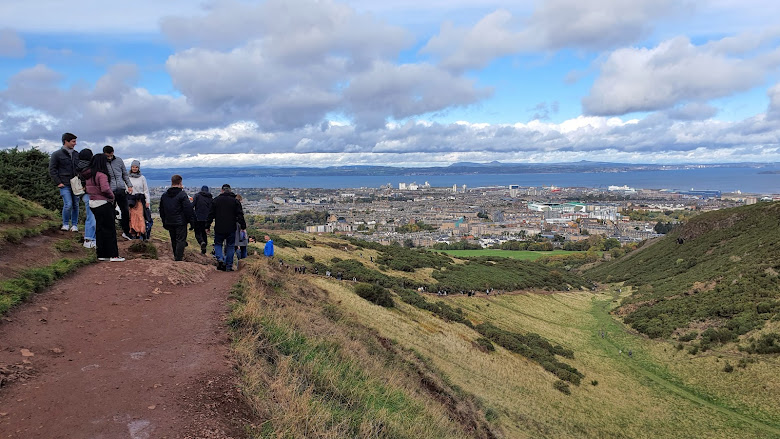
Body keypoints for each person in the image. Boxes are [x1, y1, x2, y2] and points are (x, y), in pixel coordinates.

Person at [85, 153, 124, 262]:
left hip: (92, 202)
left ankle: (101, 254)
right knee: (110, 229)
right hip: (103, 202)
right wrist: (112, 197)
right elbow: (105, 189)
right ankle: (113, 255)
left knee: (100, 228)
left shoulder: (89, 174)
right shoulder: (101, 175)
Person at [206, 184, 246, 272]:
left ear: (222, 190)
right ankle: (228, 266)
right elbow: (240, 215)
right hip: (231, 227)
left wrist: (207, 226)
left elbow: (210, 215)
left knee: (218, 244)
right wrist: (243, 226)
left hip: (219, 227)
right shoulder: (235, 201)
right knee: (230, 246)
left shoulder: (216, 200)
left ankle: (220, 259)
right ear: (230, 190)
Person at [159, 174, 194, 261]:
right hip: (180, 221)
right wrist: (192, 221)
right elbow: (188, 209)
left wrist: (164, 221)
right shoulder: (182, 194)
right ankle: (178, 259)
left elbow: (161, 210)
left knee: (174, 239)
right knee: (181, 240)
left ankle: (176, 256)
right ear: (180, 182)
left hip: (169, 221)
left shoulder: (164, 195)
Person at [49, 133, 80, 232]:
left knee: (76, 204)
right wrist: (58, 182)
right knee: (68, 204)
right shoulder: (56, 154)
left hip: (76, 184)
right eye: (73, 141)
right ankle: (65, 224)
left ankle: (74, 225)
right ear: (66, 141)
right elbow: (52, 169)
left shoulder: (76, 154)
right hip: (64, 183)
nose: (75, 143)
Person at [102, 145, 133, 240]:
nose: (110, 157)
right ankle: (111, 232)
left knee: (125, 211)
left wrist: (129, 185)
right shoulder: (102, 162)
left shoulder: (119, 160)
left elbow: (124, 174)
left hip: (121, 189)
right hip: (110, 190)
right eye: (108, 155)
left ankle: (126, 231)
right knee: (110, 212)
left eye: (111, 155)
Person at [75, 148, 96, 248]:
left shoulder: (77, 167)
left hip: (83, 194)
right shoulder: (90, 168)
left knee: (90, 216)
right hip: (92, 194)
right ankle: (90, 239)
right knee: (93, 217)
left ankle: (89, 239)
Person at [127, 160, 150, 240]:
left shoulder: (142, 178)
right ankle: (133, 232)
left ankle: (140, 232)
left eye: (136, 167)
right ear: (131, 167)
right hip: (131, 200)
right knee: (132, 217)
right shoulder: (127, 178)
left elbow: (146, 190)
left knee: (140, 216)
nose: (134, 168)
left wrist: (147, 201)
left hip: (140, 200)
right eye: (133, 167)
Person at [192, 185, 213, 254]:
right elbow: (211, 210)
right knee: (204, 233)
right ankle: (204, 248)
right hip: (206, 219)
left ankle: (201, 242)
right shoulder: (210, 198)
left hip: (197, 217)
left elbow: (192, 205)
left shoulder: (197, 196)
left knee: (197, 232)